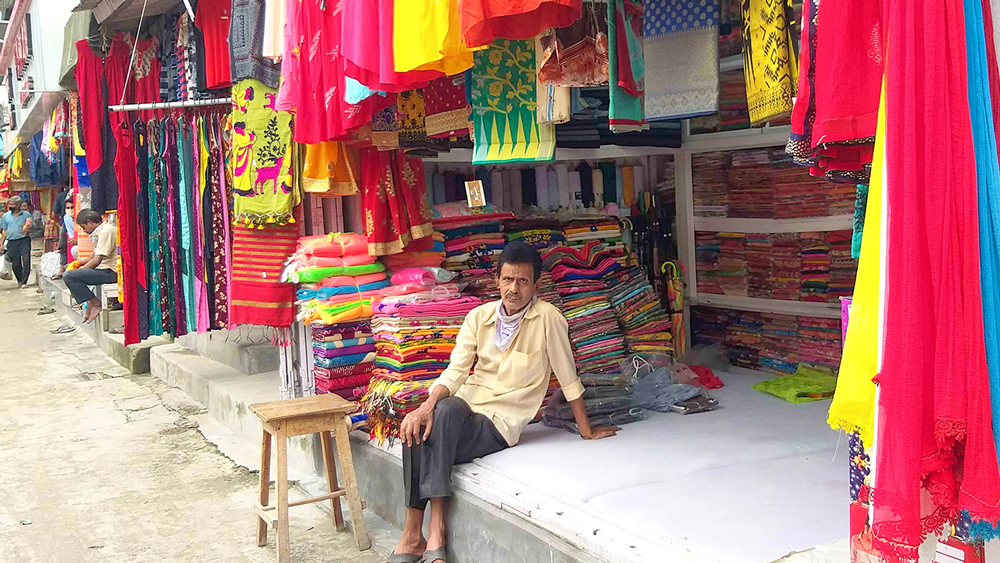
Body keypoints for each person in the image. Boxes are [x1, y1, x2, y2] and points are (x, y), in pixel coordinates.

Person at [390, 240, 618, 563]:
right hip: (462, 411)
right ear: (497, 280)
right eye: (508, 280)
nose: (514, 288)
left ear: (535, 285)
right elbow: (455, 372)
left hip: (498, 425)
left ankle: (432, 529)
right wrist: (424, 407)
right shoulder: (477, 317)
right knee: (419, 422)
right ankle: (413, 534)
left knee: (443, 413)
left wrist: (587, 431)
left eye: (523, 281)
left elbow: (568, 377)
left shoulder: (548, 319)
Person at [62, 209, 117, 324]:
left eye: (83, 227)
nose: (84, 230)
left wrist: (81, 270)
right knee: (70, 272)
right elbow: (92, 256)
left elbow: (97, 260)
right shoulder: (100, 232)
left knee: (70, 276)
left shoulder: (106, 231)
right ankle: (90, 302)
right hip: (102, 269)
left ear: (90, 222)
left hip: (110, 271)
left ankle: (95, 303)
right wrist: (76, 264)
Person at [0, 195, 34, 287]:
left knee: (26, 260)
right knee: (15, 263)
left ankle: (24, 281)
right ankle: (19, 279)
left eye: (12, 204)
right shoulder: (5, 216)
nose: (10, 206)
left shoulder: (26, 214)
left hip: (24, 240)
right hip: (12, 241)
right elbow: (4, 231)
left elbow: (32, 227)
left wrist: (29, 226)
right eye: (9, 204)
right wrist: (1, 244)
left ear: (18, 205)